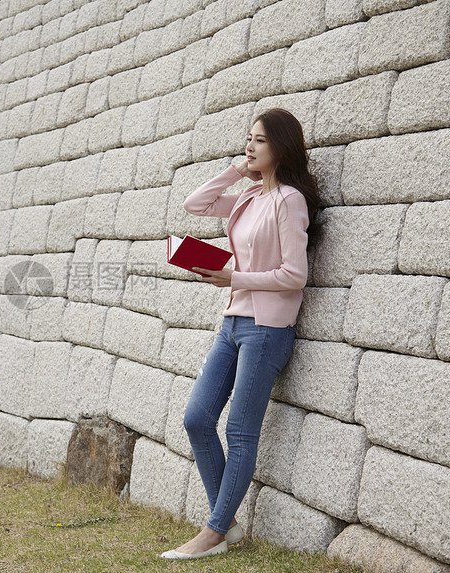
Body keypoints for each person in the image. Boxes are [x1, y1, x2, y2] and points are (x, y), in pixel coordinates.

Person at [161, 108, 320, 560]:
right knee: (196, 418)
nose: (250, 147)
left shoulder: (289, 200)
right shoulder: (250, 195)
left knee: (240, 430)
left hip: (267, 329)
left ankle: (212, 535)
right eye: (248, 139)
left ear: (282, 148)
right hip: (232, 323)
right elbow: (196, 203)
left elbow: (294, 275)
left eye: (260, 142)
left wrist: (235, 277)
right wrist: (235, 169)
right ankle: (226, 523)